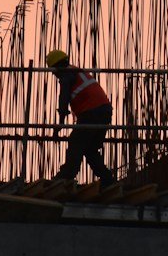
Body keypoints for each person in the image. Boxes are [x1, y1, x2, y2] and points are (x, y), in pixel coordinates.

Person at [46, 49, 116, 188]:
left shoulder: (66, 74)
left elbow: (64, 98)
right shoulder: (76, 71)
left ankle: (66, 176)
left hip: (92, 112)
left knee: (76, 143)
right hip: (104, 111)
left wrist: (60, 123)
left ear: (56, 69)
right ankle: (107, 179)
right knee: (90, 148)